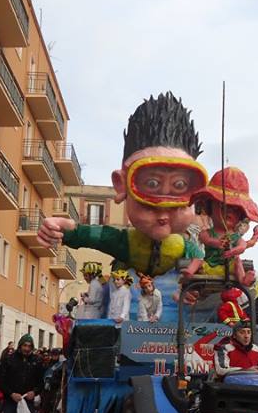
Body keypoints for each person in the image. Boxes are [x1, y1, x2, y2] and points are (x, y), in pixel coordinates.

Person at [36, 93, 208, 277]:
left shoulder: (187, 248)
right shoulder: (126, 243)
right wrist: (65, 230)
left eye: (179, 185)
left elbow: (203, 267)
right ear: (121, 185)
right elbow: (96, 236)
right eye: (152, 183)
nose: (164, 209)